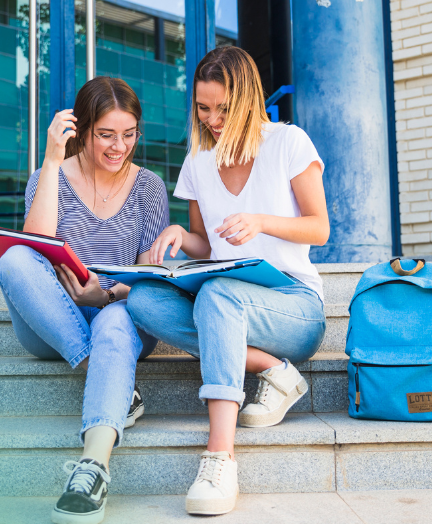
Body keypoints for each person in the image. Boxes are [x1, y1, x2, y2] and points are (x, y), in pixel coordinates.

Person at [126, 46, 329, 516]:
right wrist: (181, 234)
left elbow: (319, 227)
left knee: (217, 295)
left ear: (246, 99)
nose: (213, 119)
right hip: (229, 300)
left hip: (293, 305)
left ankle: (219, 458)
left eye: (223, 108)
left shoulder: (288, 142)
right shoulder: (198, 163)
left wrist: (262, 221)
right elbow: (208, 244)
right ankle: (271, 371)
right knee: (143, 300)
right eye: (203, 108)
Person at [0, 77, 168, 524]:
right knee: (14, 260)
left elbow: (152, 274)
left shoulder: (148, 187)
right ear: (82, 130)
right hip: (54, 322)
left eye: (129, 135)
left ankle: (93, 468)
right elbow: (35, 245)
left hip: (122, 317)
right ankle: (108, 377)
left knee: (113, 320)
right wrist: (53, 162)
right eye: (106, 135)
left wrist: (108, 294)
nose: (119, 147)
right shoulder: (48, 176)